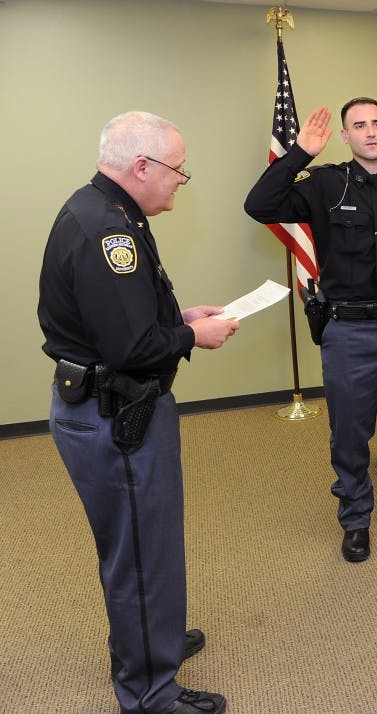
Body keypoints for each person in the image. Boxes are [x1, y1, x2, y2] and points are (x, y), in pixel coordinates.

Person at [38, 111, 235, 714]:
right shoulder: (107, 233)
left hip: (114, 402)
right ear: (142, 166)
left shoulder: (107, 209)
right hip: (114, 414)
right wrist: (191, 338)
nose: (182, 180)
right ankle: (149, 691)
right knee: (140, 553)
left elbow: (123, 321)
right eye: (178, 169)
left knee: (144, 543)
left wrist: (179, 321)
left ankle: (154, 640)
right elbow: (129, 347)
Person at [245, 98, 377, 562]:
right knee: (350, 433)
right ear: (345, 136)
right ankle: (356, 520)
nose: (370, 132)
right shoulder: (322, 184)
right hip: (348, 331)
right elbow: (258, 205)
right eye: (359, 125)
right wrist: (299, 154)